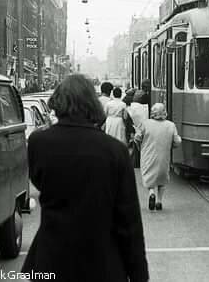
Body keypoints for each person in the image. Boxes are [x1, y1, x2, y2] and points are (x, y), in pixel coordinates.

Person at [23, 74, 148, 282]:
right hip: (102, 262)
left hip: (52, 258)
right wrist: (139, 275)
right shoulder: (115, 151)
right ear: (93, 104)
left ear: (57, 102)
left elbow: (38, 179)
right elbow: (129, 220)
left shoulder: (38, 142)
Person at [135, 103, 181, 211]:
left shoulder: (145, 123)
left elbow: (137, 137)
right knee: (162, 177)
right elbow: (177, 141)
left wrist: (139, 145)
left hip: (148, 154)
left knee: (149, 174)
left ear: (152, 113)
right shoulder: (171, 125)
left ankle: (151, 193)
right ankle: (159, 201)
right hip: (163, 155)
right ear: (164, 112)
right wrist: (171, 145)